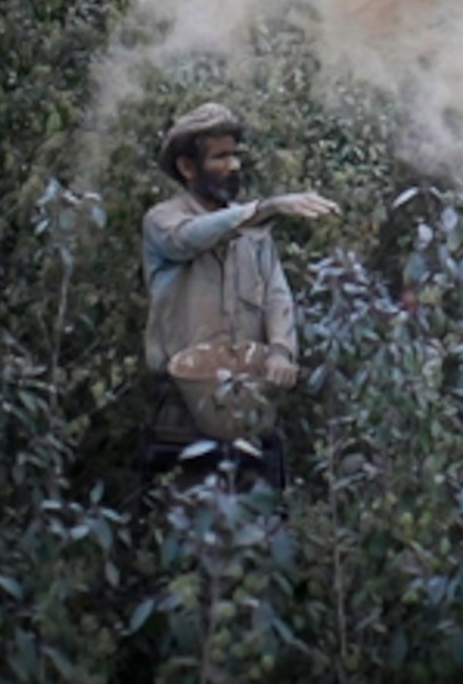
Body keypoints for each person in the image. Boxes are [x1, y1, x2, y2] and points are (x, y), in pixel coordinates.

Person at [141, 102, 338, 490]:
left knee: (259, 522)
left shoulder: (256, 233)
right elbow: (187, 239)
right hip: (182, 412)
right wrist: (265, 208)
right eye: (220, 157)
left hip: (251, 406)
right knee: (181, 521)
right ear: (187, 167)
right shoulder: (162, 220)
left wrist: (281, 350)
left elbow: (277, 297)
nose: (233, 166)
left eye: (235, 155)